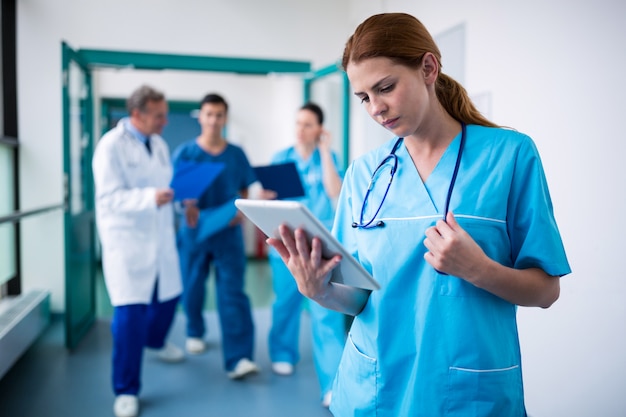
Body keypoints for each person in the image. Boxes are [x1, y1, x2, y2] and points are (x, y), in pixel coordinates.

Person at [267, 12, 571, 416]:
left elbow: (547, 291)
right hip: (374, 389)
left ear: (429, 67)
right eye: (363, 98)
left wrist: (479, 268)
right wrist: (317, 289)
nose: (376, 108)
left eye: (385, 87)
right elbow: (357, 297)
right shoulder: (364, 173)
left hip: (467, 391)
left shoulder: (510, 156)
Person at [92, 85, 184, 417]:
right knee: (129, 319)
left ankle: (156, 341)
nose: (165, 122)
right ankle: (126, 389)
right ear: (137, 115)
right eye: (159, 116)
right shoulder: (110, 146)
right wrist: (149, 197)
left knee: (170, 298)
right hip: (127, 244)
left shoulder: (158, 144)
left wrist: (176, 200)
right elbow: (108, 199)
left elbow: (166, 186)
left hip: (160, 238)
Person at [172, 93, 259, 380]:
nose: (213, 120)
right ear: (201, 116)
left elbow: (245, 189)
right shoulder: (186, 153)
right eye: (208, 114)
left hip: (228, 232)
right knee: (192, 285)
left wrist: (241, 211)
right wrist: (185, 205)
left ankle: (239, 357)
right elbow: (175, 193)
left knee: (232, 292)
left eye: (219, 115)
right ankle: (194, 330)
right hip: (195, 230)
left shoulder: (236, 154)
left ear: (224, 118)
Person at [265, 103, 346, 407]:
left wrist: (325, 150)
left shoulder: (331, 158)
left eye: (308, 124)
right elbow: (271, 200)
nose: (301, 129)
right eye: (298, 123)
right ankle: (282, 353)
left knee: (326, 313)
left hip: (319, 245)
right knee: (284, 303)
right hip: (286, 243)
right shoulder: (281, 159)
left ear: (319, 129)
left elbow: (335, 191)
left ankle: (333, 384)